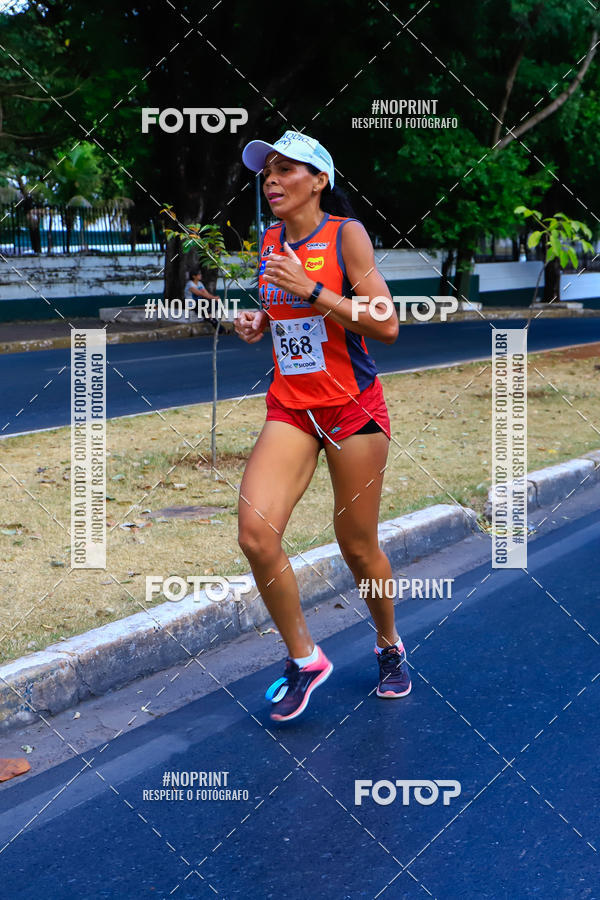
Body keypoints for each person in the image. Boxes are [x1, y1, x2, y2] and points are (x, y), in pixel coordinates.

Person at [235, 130, 411, 722]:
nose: (272, 180)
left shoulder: (346, 236)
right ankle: (305, 658)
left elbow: (385, 325)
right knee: (256, 535)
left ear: (319, 181)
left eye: (287, 170)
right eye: (267, 172)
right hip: (292, 404)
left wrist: (313, 292)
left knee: (357, 545)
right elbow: (288, 311)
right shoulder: (270, 240)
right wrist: (262, 317)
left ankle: (389, 646)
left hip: (351, 408)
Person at [184, 267, 221, 331]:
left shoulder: (200, 283)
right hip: (192, 304)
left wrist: (214, 298)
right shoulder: (190, 284)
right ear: (193, 276)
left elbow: (206, 293)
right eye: (198, 274)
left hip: (200, 303)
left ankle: (210, 317)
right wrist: (214, 297)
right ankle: (210, 317)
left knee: (214, 302)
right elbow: (200, 294)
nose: (200, 275)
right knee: (205, 303)